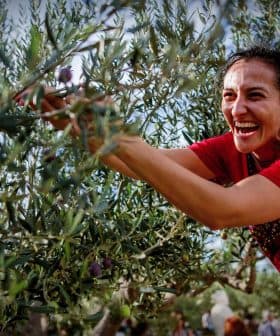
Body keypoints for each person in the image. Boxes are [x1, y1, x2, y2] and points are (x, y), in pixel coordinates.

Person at [16, 45, 280, 271]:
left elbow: (221, 210)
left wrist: (118, 137)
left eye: (255, 95)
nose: (237, 109)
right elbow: (145, 164)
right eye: (229, 96)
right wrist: (84, 131)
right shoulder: (231, 149)